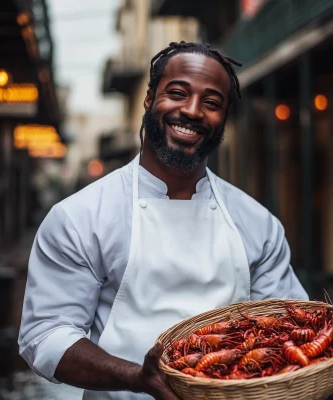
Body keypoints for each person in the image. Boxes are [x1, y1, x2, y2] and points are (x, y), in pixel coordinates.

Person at [18, 41, 308, 400]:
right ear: (149, 98)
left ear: (224, 119)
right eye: (177, 93)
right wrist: (136, 377)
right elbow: (45, 336)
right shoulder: (80, 217)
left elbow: (289, 329)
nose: (192, 110)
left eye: (212, 103)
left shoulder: (258, 223)